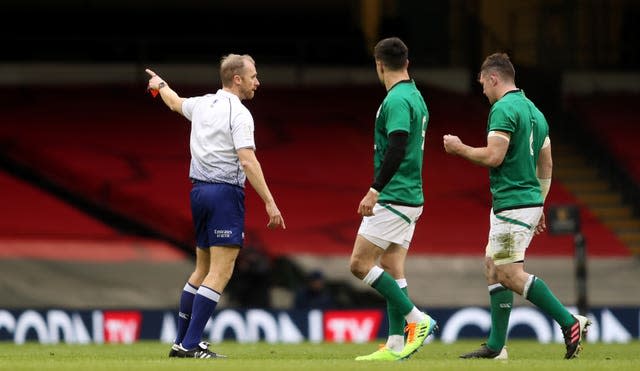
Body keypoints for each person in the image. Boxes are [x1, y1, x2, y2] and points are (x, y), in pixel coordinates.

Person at [442, 52, 590, 360]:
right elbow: (546, 165)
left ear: (494, 78)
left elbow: (494, 156)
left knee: (508, 273)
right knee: (492, 266)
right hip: (519, 204)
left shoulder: (503, 109)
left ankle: (569, 321)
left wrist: (459, 148)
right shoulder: (535, 112)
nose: (482, 90)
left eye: (482, 83)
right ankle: (496, 347)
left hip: (513, 203)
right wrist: (539, 204)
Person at [145, 53, 285, 359]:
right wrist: (270, 202)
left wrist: (159, 84)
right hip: (225, 194)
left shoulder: (203, 103)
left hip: (198, 193)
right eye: (253, 76)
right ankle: (190, 344)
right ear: (237, 79)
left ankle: (181, 343)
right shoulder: (240, 113)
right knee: (221, 272)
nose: (257, 82)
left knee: (202, 270)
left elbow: (173, 101)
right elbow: (247, 160)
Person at [349, 37, 437, 362]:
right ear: (407, 63)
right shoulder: (416, 95)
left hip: (395, 195)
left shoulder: (398, 99)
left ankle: (417, 320)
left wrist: (375, 188)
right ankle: (396, 343)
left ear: (379, 65)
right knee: (391, 265)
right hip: (412, 195)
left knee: (359, 264)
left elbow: (398, 144)